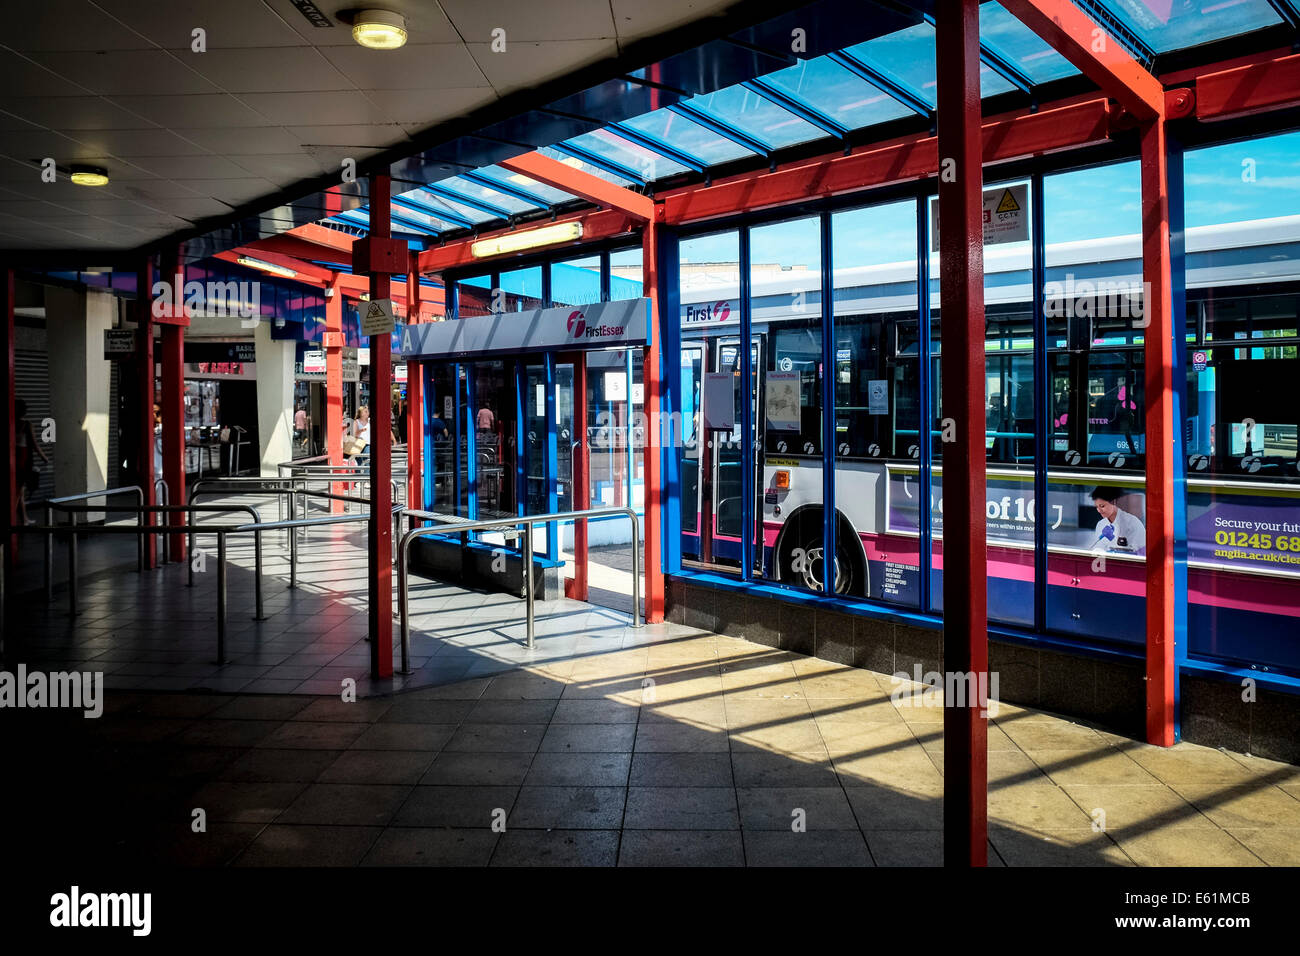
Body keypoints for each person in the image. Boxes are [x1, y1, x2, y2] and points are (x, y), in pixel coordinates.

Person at [14, 398, 50, 525]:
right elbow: (35, 445)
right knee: (18, 492)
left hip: (14, 460)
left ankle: (24, 519)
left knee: (20, 491)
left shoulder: (12, 423)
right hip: (23, 461)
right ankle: (13, 518)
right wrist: (44, 457)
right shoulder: (27, 424)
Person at [1090, 485, 1146, 553]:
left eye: (1102, 506)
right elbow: (1098, 548)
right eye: (1096, 507)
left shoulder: (1133, 523)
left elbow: (1140, 553)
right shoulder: (1101, 524)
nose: (1099, 510)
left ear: (1113, 502)